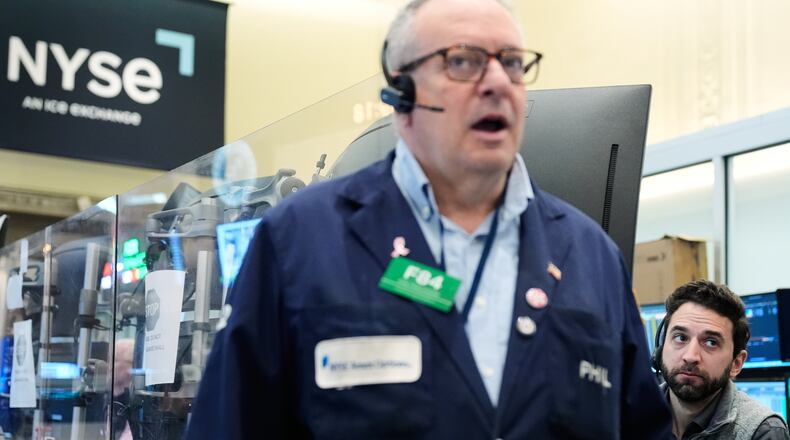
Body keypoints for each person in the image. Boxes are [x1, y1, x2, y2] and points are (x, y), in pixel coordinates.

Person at [185, 0, 671, 438]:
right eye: (463, 61)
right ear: (402, 92)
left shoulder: (591, 254)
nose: (498, 83)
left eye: (512, 63)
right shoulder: (299, 239)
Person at [655, 280, 789, 439]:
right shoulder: (634, 412)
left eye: (711, 342)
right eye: (681, 338)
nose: (690, 356)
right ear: (661, 349)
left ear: (736, 363)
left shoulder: (764, 432)